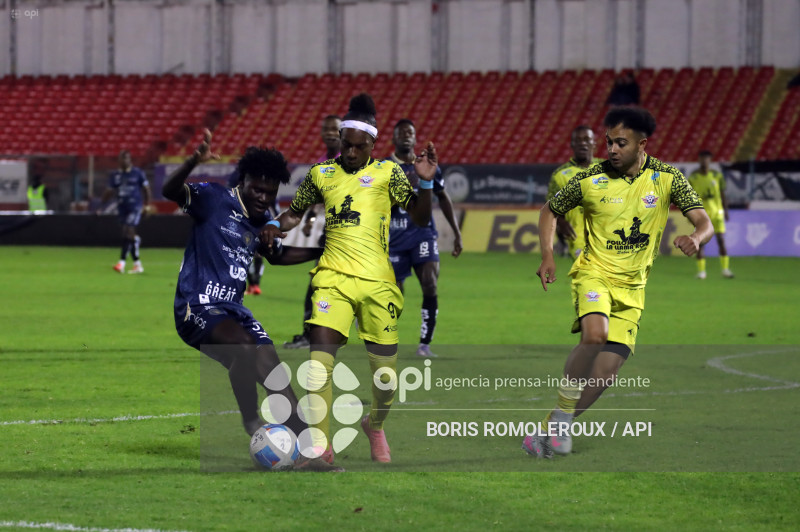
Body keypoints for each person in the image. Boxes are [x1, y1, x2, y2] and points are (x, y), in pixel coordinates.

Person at [522, 107, 713, 459]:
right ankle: (560, 419)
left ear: (642, 144)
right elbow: (550, 210)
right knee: (594, 335)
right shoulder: (591, 179)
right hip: (594, 272)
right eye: (609, 142)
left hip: (634, 287)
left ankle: (555, 424)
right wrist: (548, 254)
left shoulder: (668, 178)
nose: (610, 149)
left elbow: (704, 221)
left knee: (606, 374)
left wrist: (697, 238)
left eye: (619, 143)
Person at [261, 94, 436, 464]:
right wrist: (276, 225)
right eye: (346, 144)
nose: (352, 152)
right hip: (332, 277)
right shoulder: (321, 173)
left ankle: (374, 424)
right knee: (319, 361)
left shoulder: (389, 174)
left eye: (360, 146)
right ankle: (321, 447)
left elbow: (419, 218)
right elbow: (294, 213)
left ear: (373, 144)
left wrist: (424, 184)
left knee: (386, 379)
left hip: (377, 283)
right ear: (340, 140)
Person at [163, 130, 340, 472]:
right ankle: (274, 430)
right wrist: (192, 162)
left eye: (270, 193)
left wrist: (322, 250)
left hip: (234, 311)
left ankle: (300, 448)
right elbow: (169, 191)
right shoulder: (212, 199)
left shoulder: (261, 219)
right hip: (197, 307)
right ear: (243, 180)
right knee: (245, 349)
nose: (263, 197)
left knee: (275, 374)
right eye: (257, 189)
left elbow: (277, 255)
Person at [387, 118, 462, 358]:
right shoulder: (383, 168)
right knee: (394, 295)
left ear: (415, 138)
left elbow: (443, 197)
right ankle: (383, 336)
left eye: (410, 132)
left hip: (423, 235)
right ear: (394, 138)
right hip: (395, 238)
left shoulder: (427, 165)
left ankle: (424, 344)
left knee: (430, 283)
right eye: (402, 133)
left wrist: (457, 233)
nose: (406, 136)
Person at [285, 115, 342, 349]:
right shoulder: (321, 162)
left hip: (345, 234)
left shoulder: (346, 161)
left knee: (320, 284)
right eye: (326, 129)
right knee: (320, 284)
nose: (330, 132)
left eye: (334, 129)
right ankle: (315, 335)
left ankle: (314, 336)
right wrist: (309, 218)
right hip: (330, 232)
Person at [547, 125, 604, 259]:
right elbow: (550, 208)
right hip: (579, 237)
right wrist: (561, 223)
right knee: (589, 276)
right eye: (578, 140)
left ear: (593, 143)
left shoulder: (608, 169)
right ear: (572, 144)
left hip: (609, 236)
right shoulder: (560, 175)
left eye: (586, 139)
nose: (582, 143)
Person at [101, 150, 151, 274]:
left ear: (130, 160)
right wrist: (103, 201)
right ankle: (137, 264)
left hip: (135, 206)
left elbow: (146, 189)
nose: (124, 161)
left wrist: (147, 205)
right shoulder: (115, 175)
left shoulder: (137, 173)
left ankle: (121, 263)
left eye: (127, 158)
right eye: (122, 159)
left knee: (128, 230)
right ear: (119, 161)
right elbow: (109, 191)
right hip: (122, 207)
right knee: (127, 235)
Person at [688, 150, 733, 279]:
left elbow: (723, 194)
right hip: (701, 215)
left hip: (717, 213)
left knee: (721, 241)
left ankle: (725, 269)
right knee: (700, 242)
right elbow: (688, 197)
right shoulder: (693, 177)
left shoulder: (716, 175)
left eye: (706, 158)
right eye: (702, 158)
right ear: (699, 160)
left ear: (710, 160)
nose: (704, 161)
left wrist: (726, 211)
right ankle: (702, 272)